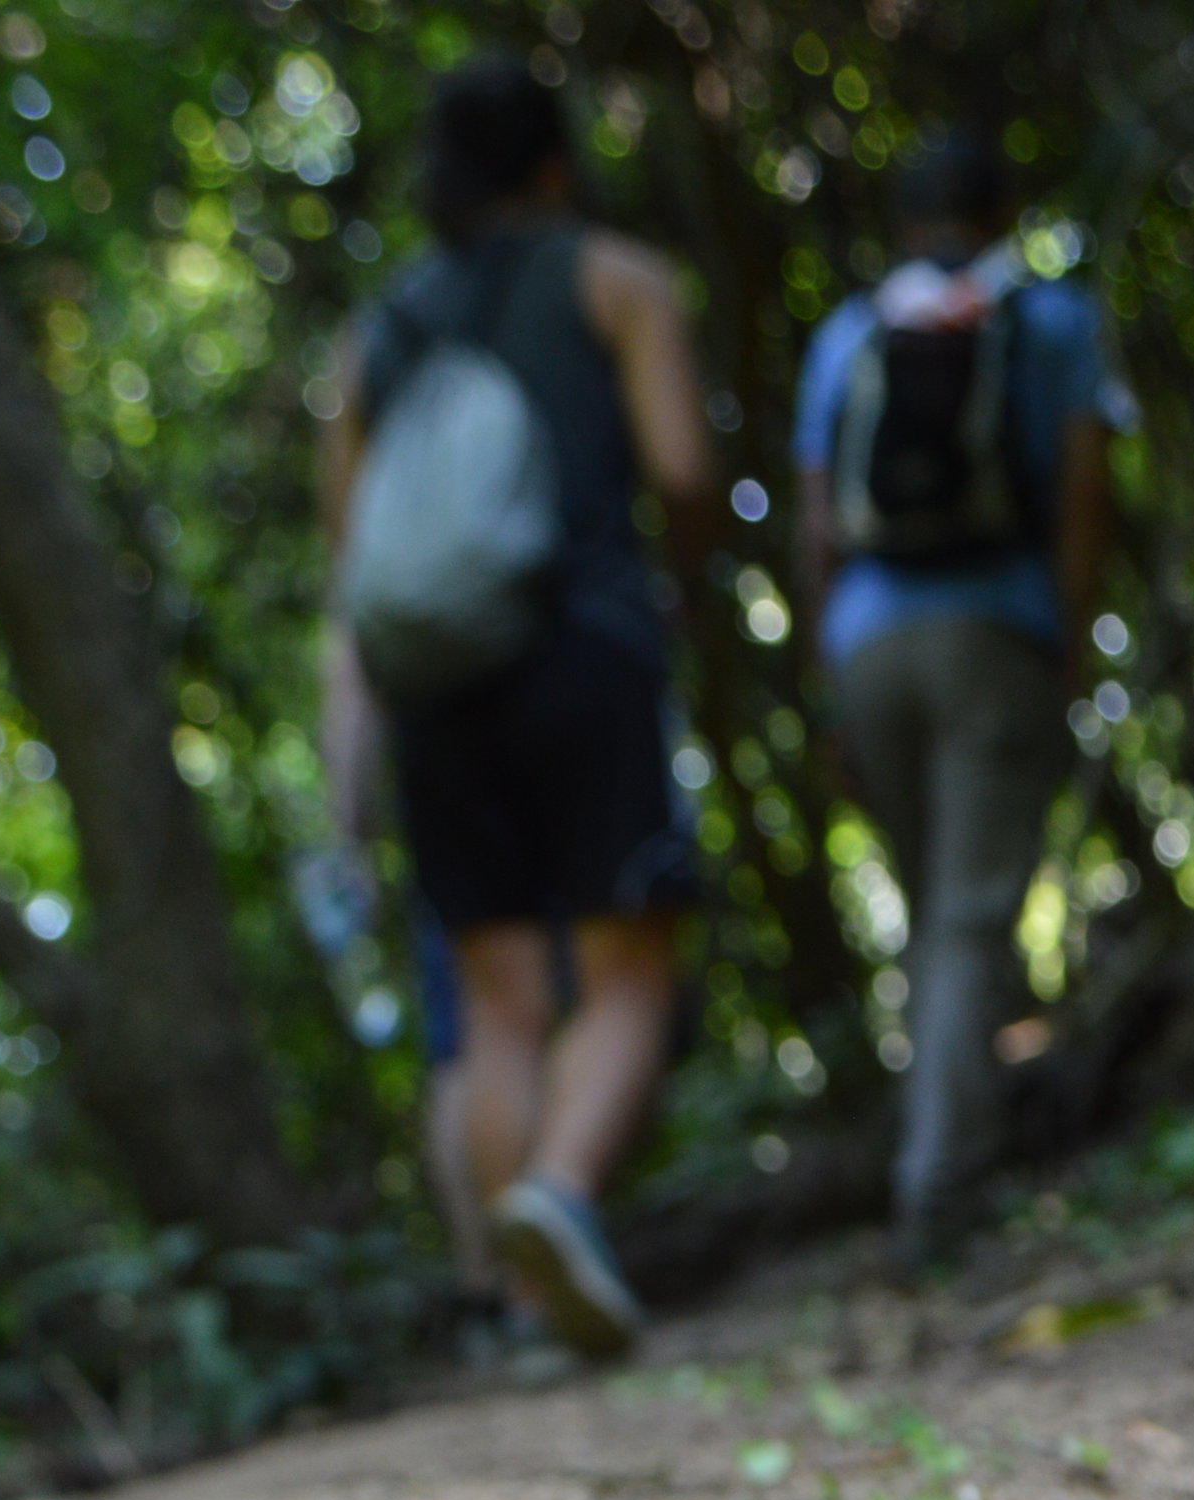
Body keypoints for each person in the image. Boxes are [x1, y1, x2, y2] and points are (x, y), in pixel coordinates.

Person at [322, 55, 717, 1361]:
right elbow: (680, 468)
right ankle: (560, 1190)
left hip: (435, 688)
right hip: (577, 650)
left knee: (494, 1007)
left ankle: (524, 1302)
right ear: (555, 163)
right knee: (625, 968)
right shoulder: (615, 280)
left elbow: (353, 568)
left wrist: (349, 778)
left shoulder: (374, 337)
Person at [793, 135, 1125, 1276]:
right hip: (996, 632)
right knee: (968, 920)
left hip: (868, 647)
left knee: (937, 910)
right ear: (1002, 210)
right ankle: (938, 1192)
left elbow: (816, 529)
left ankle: (942, 1155)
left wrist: (826, 686)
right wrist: (1066, 641)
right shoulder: (1050, 323)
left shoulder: (846, 338)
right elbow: (1083, 494)